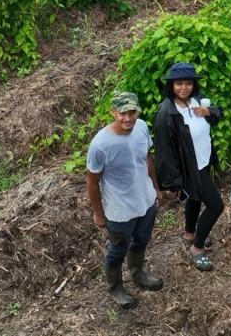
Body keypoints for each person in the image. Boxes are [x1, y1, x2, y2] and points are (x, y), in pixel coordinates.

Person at [86, 91, 164, 309]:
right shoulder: (101, 145)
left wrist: (155, 187)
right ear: (113, 112)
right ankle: (115, 287)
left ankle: (138, 272)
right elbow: (92, 181)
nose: (128, 118)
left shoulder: (141, 128)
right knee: (117, 250)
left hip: (145, 202)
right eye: (123, 113)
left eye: (132, 112)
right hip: (119, 211)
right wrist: (98, 212)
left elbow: (146, 158)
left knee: (141, 240)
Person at [153, 62, 225, 272]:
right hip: (189, 168)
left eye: (188, 83)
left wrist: (209, 111)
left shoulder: (196, 101)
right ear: (171, 86)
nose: (184, 88)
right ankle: (197, 248)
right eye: (179, 84)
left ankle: (189, 233)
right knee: (216, 206)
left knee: (194, 198)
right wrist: (174, 182)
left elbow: (216, 116)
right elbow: (164, 151)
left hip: (202, 161)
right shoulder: (168, 113)